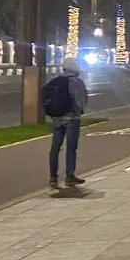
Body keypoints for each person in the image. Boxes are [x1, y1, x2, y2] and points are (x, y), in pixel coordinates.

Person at [44, 56, 88, 190]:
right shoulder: (76, 82)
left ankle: (53, 177)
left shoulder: (55, 81)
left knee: (55, 149)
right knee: (71, 149)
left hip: (57, 119)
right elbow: (81, 101)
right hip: (72, 119)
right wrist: (79, 110)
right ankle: (69, 176)